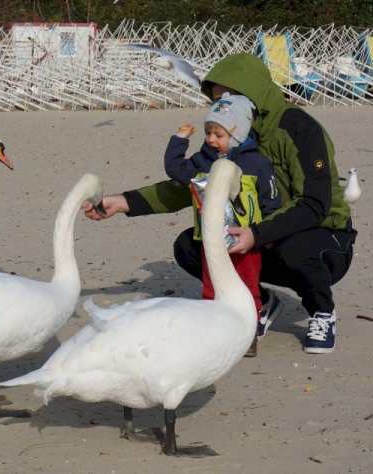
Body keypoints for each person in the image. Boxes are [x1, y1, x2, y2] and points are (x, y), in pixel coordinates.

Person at [82, 53, 357, 355]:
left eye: (230, 95)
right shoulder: (223, 134)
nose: (223, 104)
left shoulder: (298, 128)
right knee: (191, 246)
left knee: (294, 250)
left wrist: (257, 233)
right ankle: (259, 302)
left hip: (325, 237)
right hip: (256, 233)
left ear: (253, 93)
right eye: (217, 99)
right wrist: (123, 202)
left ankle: (321, 311)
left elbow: (316, 204)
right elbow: (190, 185)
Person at [164, 92, 281, 356]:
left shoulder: (257, 163)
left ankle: (248, 334)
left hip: (246, 241)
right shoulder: (203, 160)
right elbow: (176, 170)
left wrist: (266, 234)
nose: (211, 140)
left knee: (248, 286)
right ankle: (211, 330)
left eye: (219, 135)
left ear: (237, 133)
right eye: (208, 133)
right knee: (211, 285)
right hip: (212, 240)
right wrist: (179, 140)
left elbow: (271, 198)